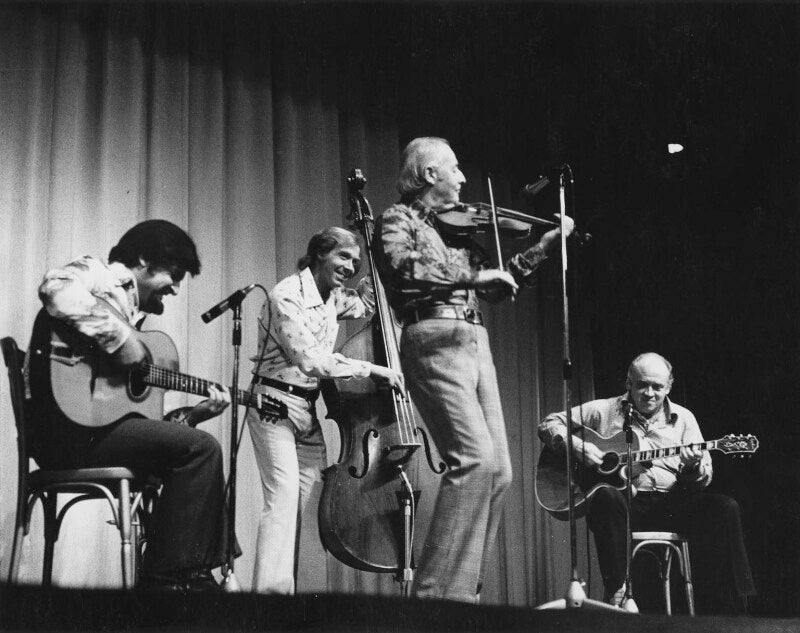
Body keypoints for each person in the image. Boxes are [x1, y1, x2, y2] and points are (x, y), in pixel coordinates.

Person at [373, 136, 574, 603]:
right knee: (474, 460)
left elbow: (495, 286)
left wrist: (543, 247)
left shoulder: (457, 231)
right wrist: (472, 276)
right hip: (433, 336)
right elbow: (403, 268)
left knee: (499, 470)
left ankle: (463, 596)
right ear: (429, 174)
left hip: (474, 337)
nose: (463, 178)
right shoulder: (398, 219)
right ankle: (432, 599)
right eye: (455, 169)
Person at [27, 219, 234, 591]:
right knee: (202, 450)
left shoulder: (135, 317)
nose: (175, 288)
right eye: (174, 275)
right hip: (64, 434)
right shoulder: (99, 275)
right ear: (143, 260)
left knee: (196, 450)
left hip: (97, 433)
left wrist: (196, 414)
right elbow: (54, 288)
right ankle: (168, 581)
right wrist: (121, 340)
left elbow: (138, 419)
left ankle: (193, 574)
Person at [246, 226, 404, 594]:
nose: (349, 266)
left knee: (311, 505)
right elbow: (311, 361)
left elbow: (366, 305)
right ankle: (269, 601)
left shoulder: (333, 296)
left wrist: (378, 262)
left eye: (355, 261)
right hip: (273, 405)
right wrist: (370, 369)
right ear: (319, 253)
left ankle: (302, 599)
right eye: (343, 256)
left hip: (306, 408)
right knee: (283, 500)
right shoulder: (286, 295)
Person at [538, 352, 756, 613]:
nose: (649, 393)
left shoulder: (684, 419)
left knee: (724, 507)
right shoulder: (602, 410)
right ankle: (619, 594)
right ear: (628, 383)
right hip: (625, 505)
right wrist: (576, 446)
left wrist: (691, 468)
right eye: (642, 385)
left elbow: (703, 478)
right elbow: (549, 423)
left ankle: (732, 606)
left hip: (671, 504)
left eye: (657, 387)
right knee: (606, 495)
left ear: (669, 387)